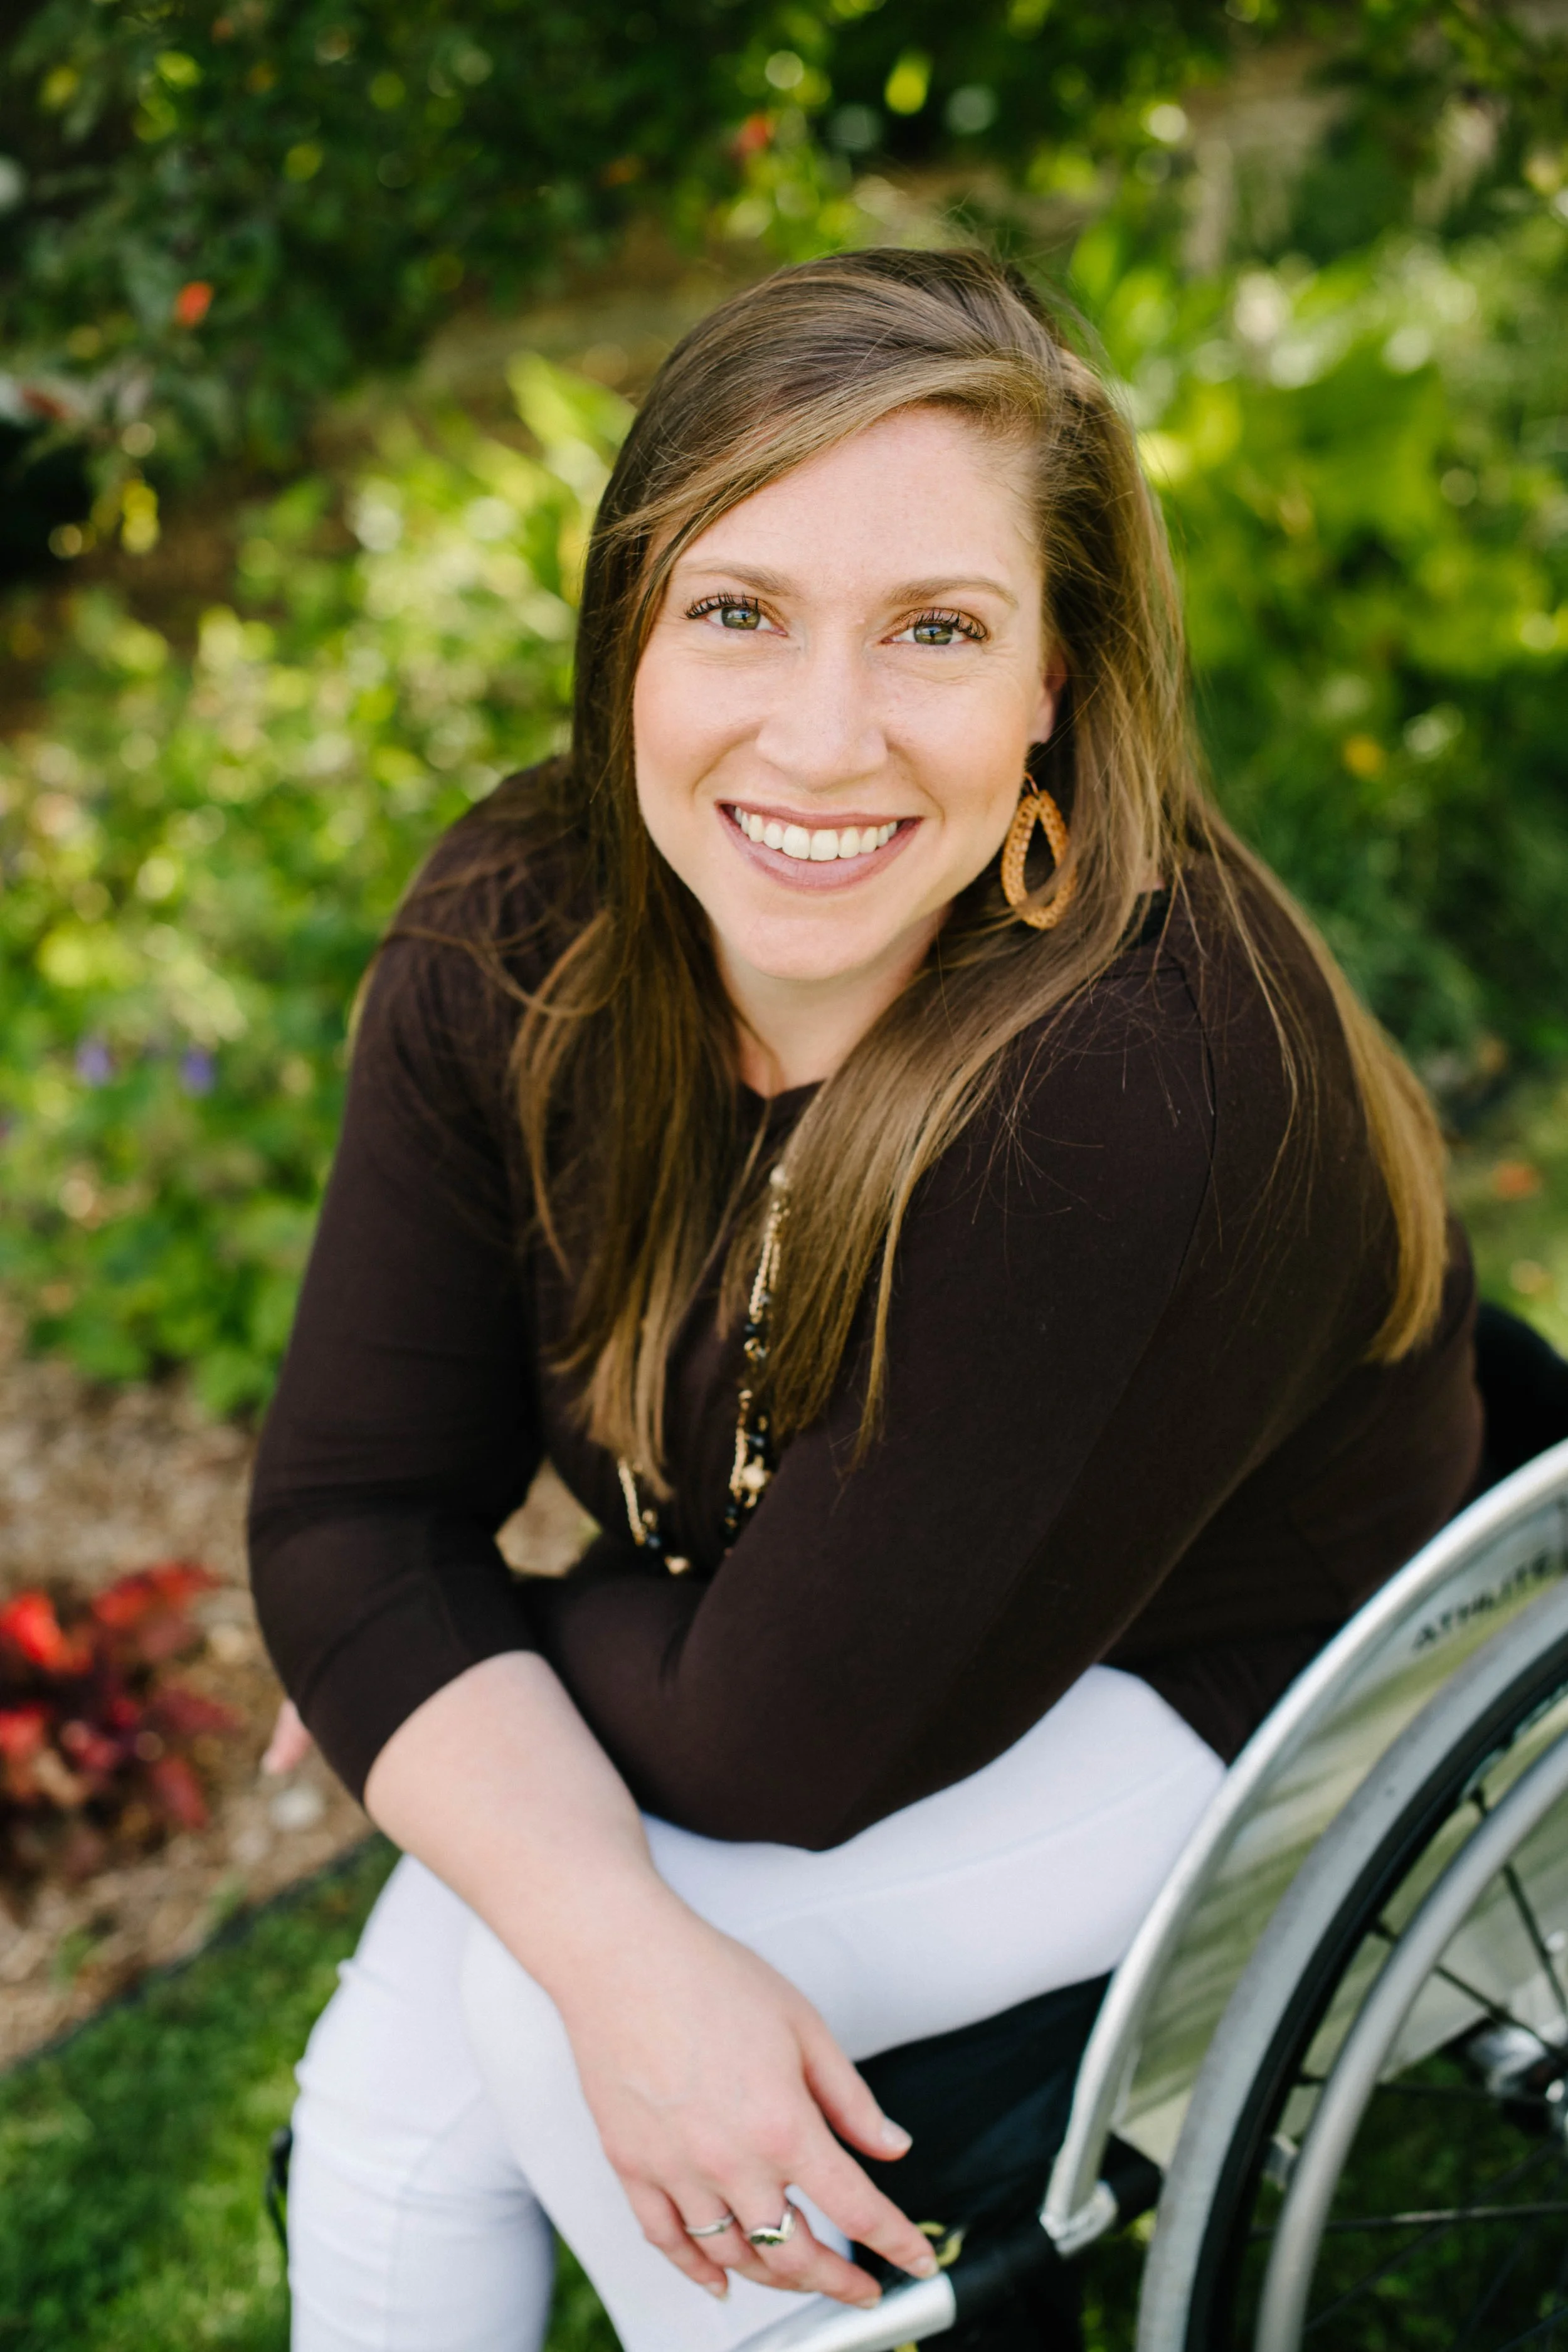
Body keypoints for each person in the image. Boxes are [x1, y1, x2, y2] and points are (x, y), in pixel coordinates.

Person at [248, 249, 1482, 2352]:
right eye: (737, 610)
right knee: (408, 2092)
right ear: (626, 634)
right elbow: (351, 1511)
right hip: (823, 1633)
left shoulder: (1122, 1083)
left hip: (1228, 1663)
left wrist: (435, 1644)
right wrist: (410, 1635)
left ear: (1054, 690)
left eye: (935, 631)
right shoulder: (515, 923)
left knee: (557, 2022)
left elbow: (767, 1740)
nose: (819, 740)